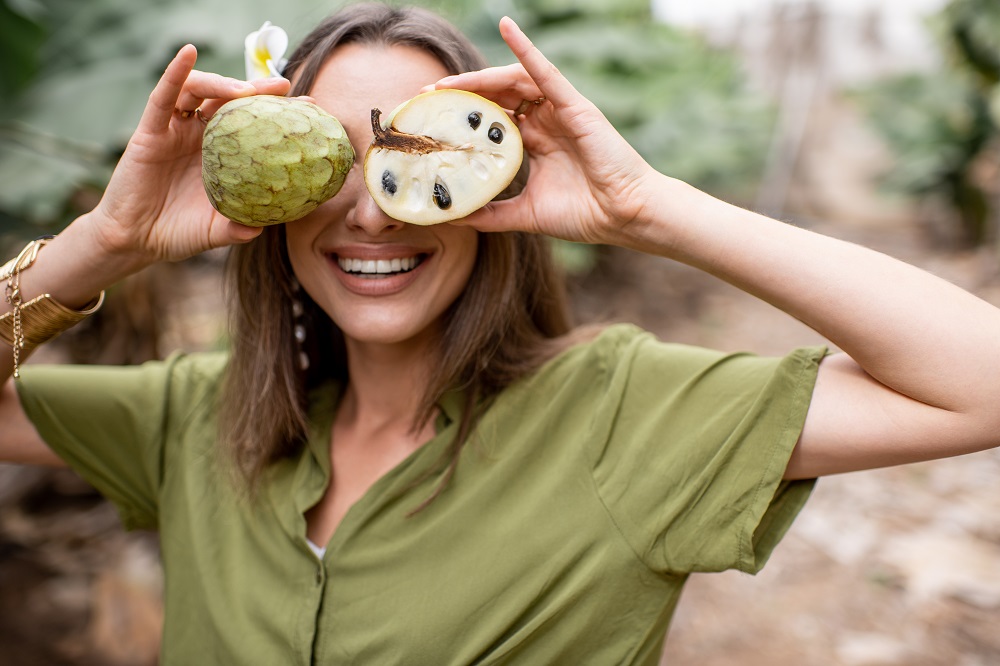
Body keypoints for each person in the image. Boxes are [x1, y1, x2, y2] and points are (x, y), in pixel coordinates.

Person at [1, 2, 998, 663]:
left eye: (411, 156)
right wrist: (103, 244)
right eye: (331, 160)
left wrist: (648, 211)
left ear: (494, 180)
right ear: (274, 193)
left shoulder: (621, 415)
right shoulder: (193, 416)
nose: (375, 213)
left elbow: (981, 383)